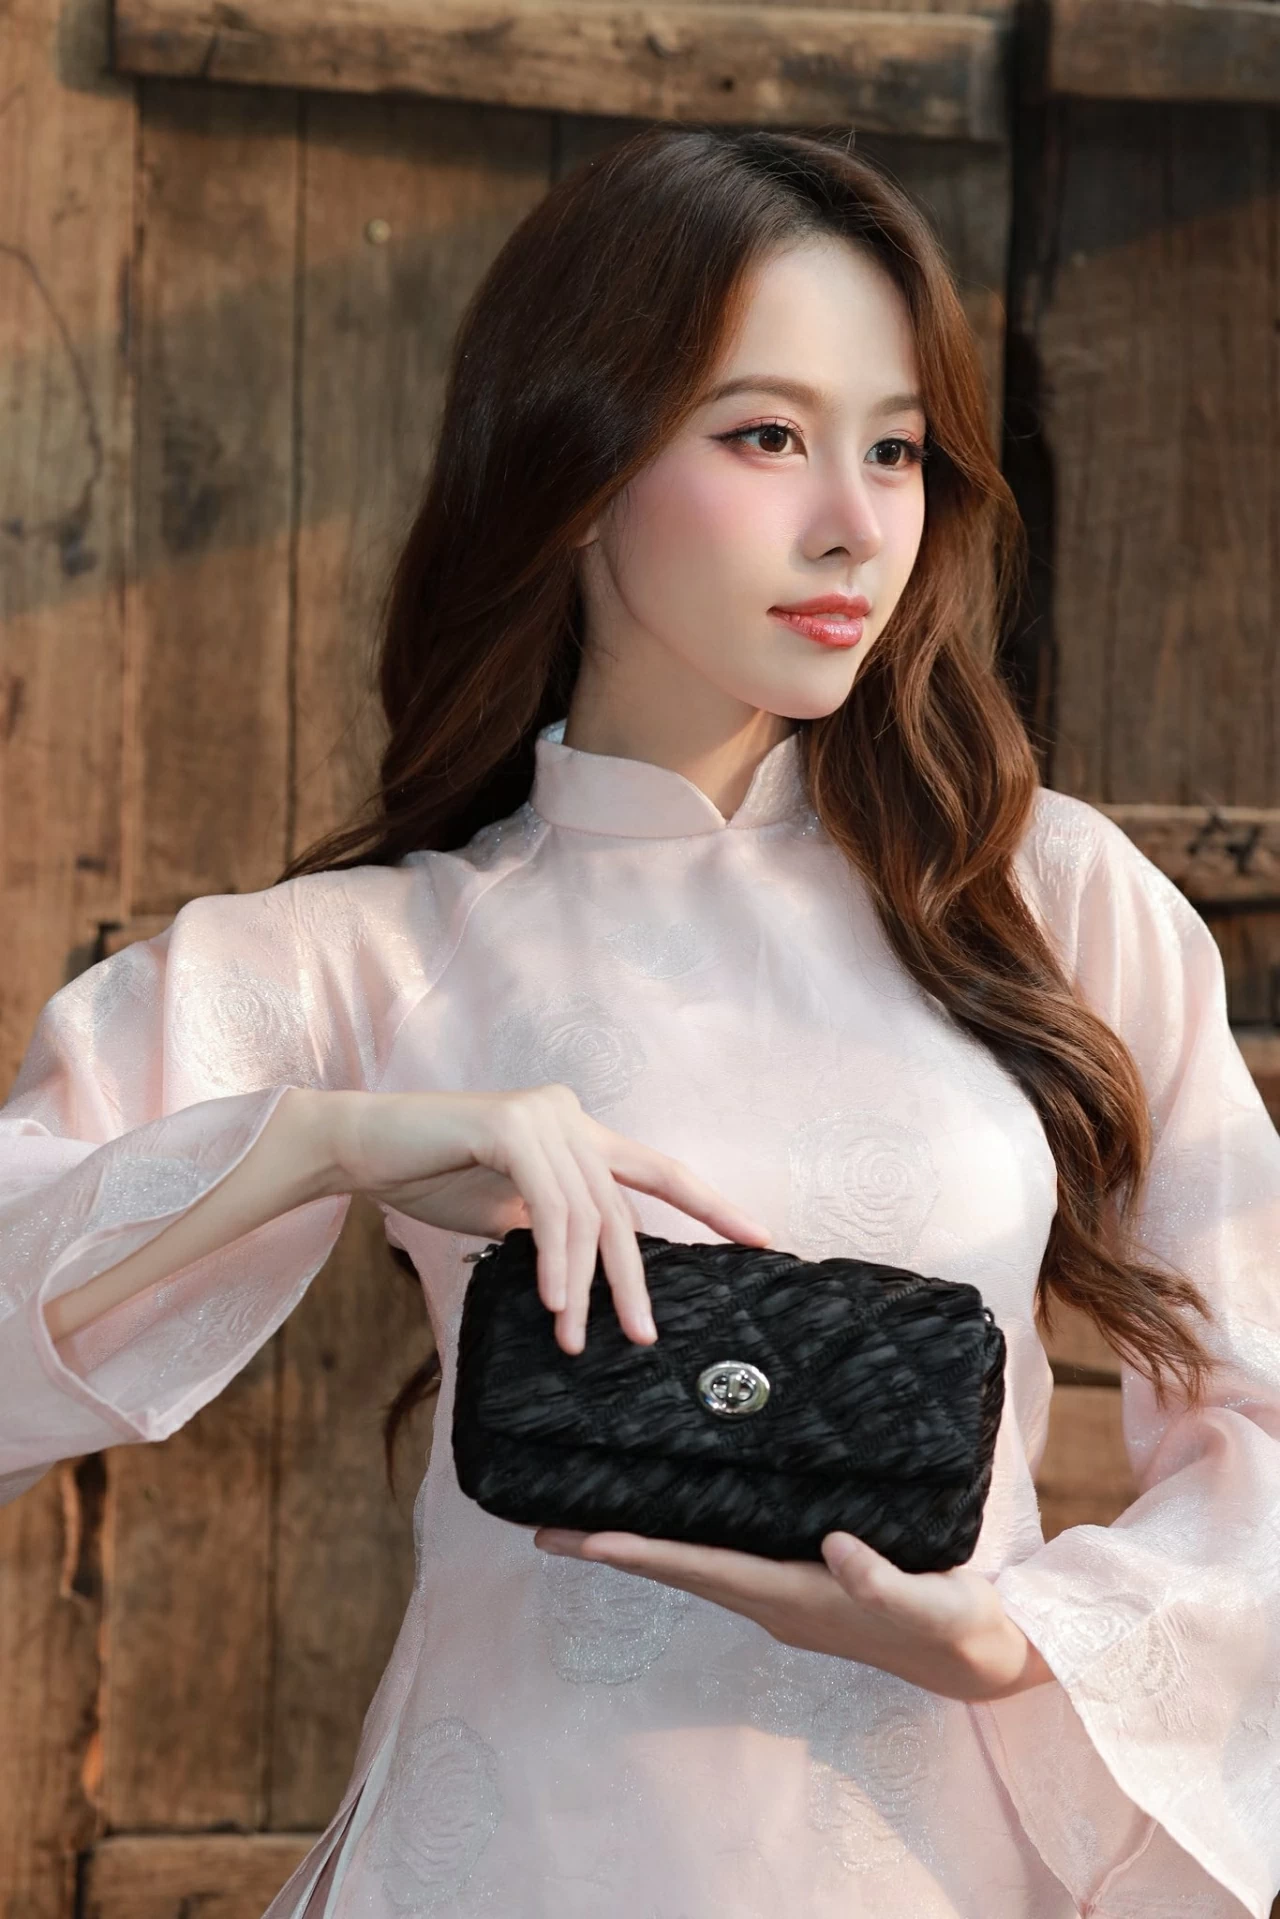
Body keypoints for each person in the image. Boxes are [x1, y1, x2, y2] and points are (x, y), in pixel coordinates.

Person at [0, 122, 1276, 1919]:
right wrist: (325, 1141)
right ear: (578, 463)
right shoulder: (374, 959)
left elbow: (1261, 1404)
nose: (855, 522)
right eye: (765, 436)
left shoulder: (1044, 900)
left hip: (941, 1863)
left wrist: (1018, 1639)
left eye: (895, 448)